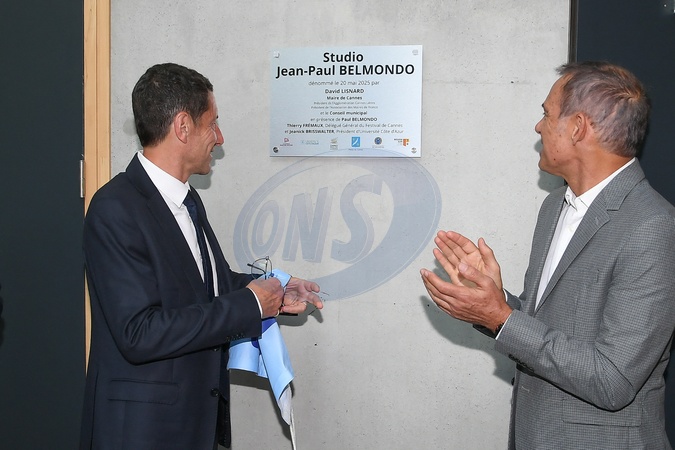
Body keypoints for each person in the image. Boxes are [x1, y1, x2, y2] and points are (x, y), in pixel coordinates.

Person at [420, 61, 675, 449]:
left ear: (577, 128)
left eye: (547, 113)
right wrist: (494, 300)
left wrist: (501, 318)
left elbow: (614, 379)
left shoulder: (652, 226)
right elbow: (546, 326)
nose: (539, 126)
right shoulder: (554, 206)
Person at [80, 63, 323, 450]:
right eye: (213, 124)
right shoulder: (114, 209)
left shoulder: (188, 198)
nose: (219, 138)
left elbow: (209, 286)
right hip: (142, 433)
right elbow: (139, 333)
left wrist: (274, 289)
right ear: (183, 126)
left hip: (195, 425)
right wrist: (250, 304)